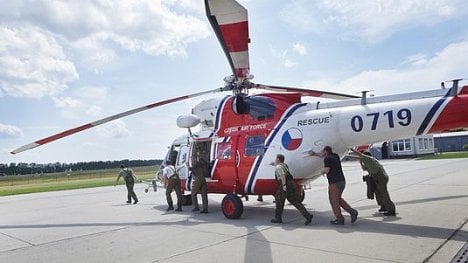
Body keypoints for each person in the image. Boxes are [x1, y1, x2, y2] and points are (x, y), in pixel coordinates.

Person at [310, 146, 358, 225]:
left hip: (334, 182)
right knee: (338, 199)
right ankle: (352, 212)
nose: (321, 153)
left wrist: (321, 172)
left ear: (325, 151)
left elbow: (326, 170)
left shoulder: (327, 159)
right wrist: (314, 154)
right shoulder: (335, 156)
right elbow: (323, 156)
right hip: (341, 181)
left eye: (322, 151)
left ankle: (340, 219)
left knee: (334, 200)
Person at [350, 148, 396, 216]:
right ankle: (383, 206)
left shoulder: (369, 159)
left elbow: (359, 155)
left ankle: (391, 210)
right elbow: (364, 168)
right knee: (377, 192)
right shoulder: (368, 161)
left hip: (381, 178)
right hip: (377, 178)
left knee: (384, 194)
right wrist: (359, 162)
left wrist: (352, 150)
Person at [270, 154, 313, 225]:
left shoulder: (279, 167)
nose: (275, 160)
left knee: (279, 201)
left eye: (276, 159)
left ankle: (278, 218)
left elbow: (282, 175)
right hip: (290, 186)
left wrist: (284, 186)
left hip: (284, 185)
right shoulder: (284, 165)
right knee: (295, 201)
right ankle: (307, 216)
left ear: (278, 159)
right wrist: (273, 164)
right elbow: (281, 168)